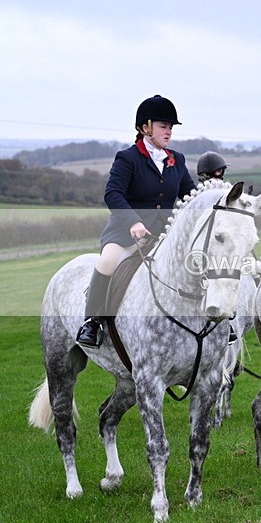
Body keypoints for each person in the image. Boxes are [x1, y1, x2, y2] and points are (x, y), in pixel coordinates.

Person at [76, 95, 196, 348]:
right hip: (126, 234)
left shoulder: (177, 160)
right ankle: (93, 322)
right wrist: (133, 222)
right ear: (145, 127)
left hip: (166, 235)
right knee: (108, 261)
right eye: (163, 126)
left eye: (171, 127)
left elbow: (190, 195)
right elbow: (113, 194)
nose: (169, 131)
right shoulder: (127, 158)